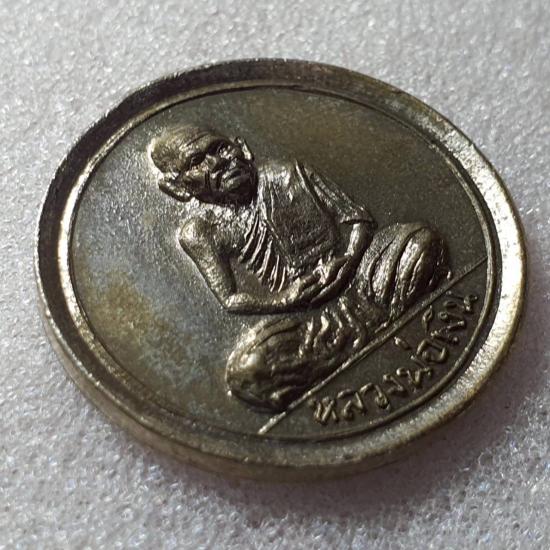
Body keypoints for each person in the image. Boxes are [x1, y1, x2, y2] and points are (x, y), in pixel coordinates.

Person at [150, 125, 449, 411]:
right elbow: (231, 299)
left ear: (242, 147)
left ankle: (356, 334)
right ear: (178, 187)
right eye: (197, 162)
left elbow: (357, 220)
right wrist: (285, 299)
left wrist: (348, 259)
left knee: (419, 241)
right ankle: (367, 329)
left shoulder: (288, 173)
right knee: (249, 371)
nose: (218, 162)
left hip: (357, 280)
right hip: (299, 319)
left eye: (220, 148)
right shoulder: (200, 231)